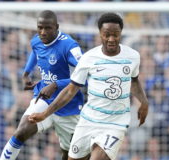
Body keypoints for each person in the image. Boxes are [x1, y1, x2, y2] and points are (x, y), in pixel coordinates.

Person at [28, 12, 149, 160]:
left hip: (115, 123)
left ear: (121, 33)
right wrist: (45, 114)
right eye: (107, 35)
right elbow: (70, 90)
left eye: (115, 35)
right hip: (88, 120)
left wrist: (144, 101)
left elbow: (134, 80)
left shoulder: (133, 56)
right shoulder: (88, 58)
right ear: (100, 34)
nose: (111, 39)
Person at [0, 10, 84, 160]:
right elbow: (35, 52)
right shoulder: (37, 40)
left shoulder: (70, 46)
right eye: (40, 27)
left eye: (48, 28)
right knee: (21, 131)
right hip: (44, 100)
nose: (43, 32)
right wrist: (26, 72)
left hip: (68, 106)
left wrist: (55, 84)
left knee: (69, 154)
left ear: (57, 27)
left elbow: (85, 78)